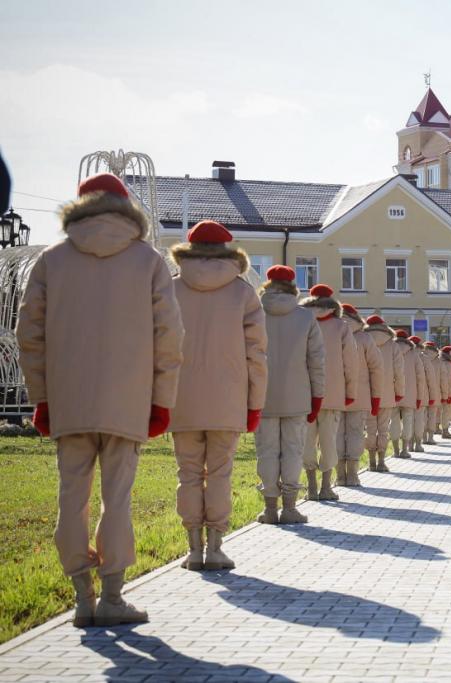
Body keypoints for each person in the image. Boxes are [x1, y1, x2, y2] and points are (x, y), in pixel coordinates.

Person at [16, 173, 184, 626]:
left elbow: (28, 334)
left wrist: (42, 398)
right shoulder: (148, 261)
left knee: (71, 497)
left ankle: (81, 598)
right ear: (126, 208)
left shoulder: (52, 260)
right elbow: (169, 336)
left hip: (68, 399)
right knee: (118, 498)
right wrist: (161, 400)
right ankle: (113, 597)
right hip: (129, 400)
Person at [168, 220, 267, 571]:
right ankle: (216, 546)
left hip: (180, 397)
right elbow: (256, 354)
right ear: (228, 250)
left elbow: (156, 346)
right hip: (229, 397)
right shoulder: (242, 292)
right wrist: (254, 403)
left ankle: (193, 549)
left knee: (189, 473)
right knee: (220, 473)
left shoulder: (171, 288)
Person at [256, 266, 324, 524]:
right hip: (298, 396)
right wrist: (317, 397)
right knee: (293, 451)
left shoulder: (254, 314)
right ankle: (290, 508)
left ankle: (270, 508)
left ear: (267, 285)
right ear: (293, 288)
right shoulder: (305, 318)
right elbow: (317, 361)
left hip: (261, 396)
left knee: (267, 452)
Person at [299, 285, 357, 499]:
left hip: (304, 392)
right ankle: (325, 487)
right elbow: (351, 363)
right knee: (328, 440)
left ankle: (311, 486)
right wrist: (350, 392)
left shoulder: (301, 322)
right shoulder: (341, 326)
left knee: (306, 440)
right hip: (332, 393)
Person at [338, 304, 383, 486]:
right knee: (356, 433)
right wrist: (376, 397)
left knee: (337, 434)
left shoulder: (331, 332)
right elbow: (376, 369)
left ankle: (340, 476)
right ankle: (353, 475)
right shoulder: (365, 338)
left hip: (335, 394)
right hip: (360, 393)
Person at [363, 315, 405, 472]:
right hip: (386, 393)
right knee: (383, 428)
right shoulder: (393, 345)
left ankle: (371, 462)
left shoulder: (362, 340)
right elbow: (399, 372)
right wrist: (399, 392)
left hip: (366, 393)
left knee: (369, 428)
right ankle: (381, 461)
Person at [392, 330, 426, 458]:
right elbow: (420, 377)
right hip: (410, 393)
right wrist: (419, 397)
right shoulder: (414, 354)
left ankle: (395, 450)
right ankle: (404, 450)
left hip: (393, 392)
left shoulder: (390, 350)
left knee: (393, 421)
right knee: (408, 421)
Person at [409, 335, 430, 452]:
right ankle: (418, 444)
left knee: (408, 420)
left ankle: (409, 445)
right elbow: (429, 378)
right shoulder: (423, 357)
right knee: (419, 420)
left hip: (406, 393)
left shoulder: (404, 355)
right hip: (421, 392)